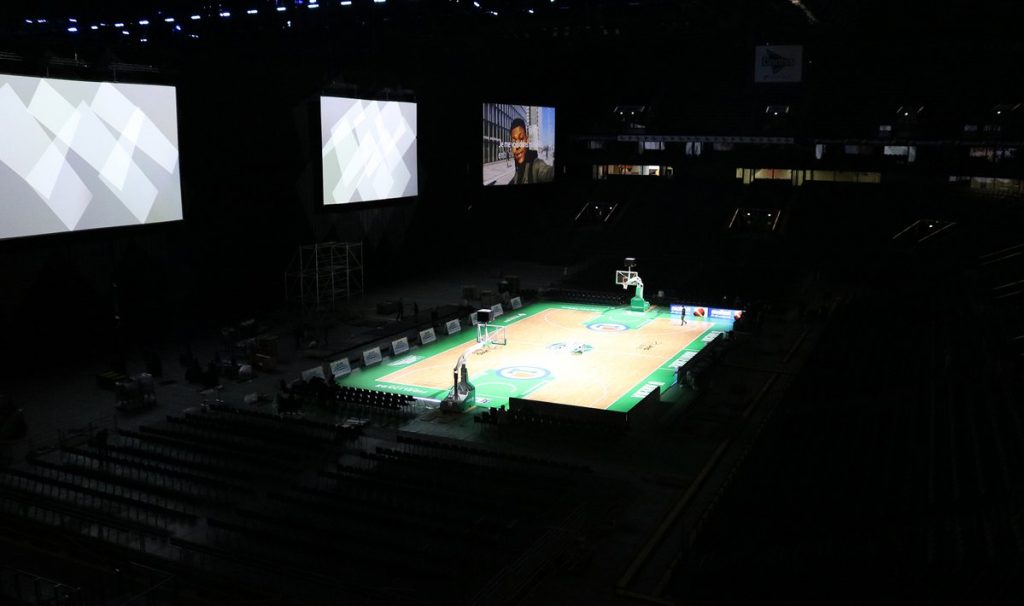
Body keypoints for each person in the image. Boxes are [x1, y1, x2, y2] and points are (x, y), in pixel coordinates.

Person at [507, 118, 554, 185]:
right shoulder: (518, 166)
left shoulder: (536, 165)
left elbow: (548, 173)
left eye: (521, 139)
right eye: (514, 141)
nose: (517, 146)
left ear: (527, 141)